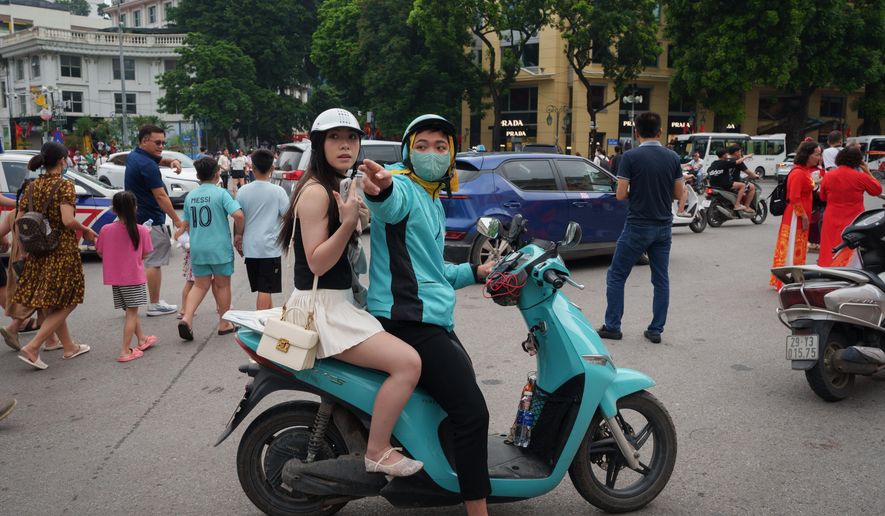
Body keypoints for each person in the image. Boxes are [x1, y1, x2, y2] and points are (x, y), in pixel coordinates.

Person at [359, 114, 494, 514]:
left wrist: (477, 271)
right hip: (409, 322)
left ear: (451, 155)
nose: (432, 154)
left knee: (459, 397)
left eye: (440, 147)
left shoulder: (432, 198)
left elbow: (432, 272)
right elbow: (387, 202)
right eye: (422, 146)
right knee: (472, 413)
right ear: (407, 152)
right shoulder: (402, 186)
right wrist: (379, 190)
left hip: (430, 319)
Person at [278, 108, 424, 478]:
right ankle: (377, 451)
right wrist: (346, 224)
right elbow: (316, 263)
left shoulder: (340, 184)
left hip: (341, 301)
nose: (345, 145)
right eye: (335, 138)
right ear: (318, 144)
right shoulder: (314, 193)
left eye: (352, 138)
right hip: (324, 308)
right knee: (408, 364)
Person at [597, 112, 683, 344]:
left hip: (637, 225)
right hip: (664, 226)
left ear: (636, 132)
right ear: (660, 132)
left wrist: (639, 191)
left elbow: (621, 194)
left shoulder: (630, 157)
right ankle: (655, 330)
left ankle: (613, 326)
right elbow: (678, 193)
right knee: (661, 278)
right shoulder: (673, 157)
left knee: (616, 275)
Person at [15, 142, 98, 370]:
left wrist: (23, 249)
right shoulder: (64, 186)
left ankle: (69, 347)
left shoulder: (32, 186)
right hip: (61, 250)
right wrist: (88, 230)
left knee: (54, 303)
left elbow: (19, 221)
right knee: (69, 300)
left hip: (37, 251)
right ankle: (33, 347)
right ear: (62, 160)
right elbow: (67, 221)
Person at [178, 157, 244, 340]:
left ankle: (187, 318)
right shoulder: (221, 194)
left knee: (199, 286)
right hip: (219, 248)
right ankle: (224, 323)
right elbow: (238, 215)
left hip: (198, 247)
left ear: (198, 175)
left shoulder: (191, 196)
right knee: (222, 285)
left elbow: (185, 223)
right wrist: (239, 234)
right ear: (217, 174)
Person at [124, 124, 184, 317]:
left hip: (136, 217)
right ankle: (155, 303)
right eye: (157, 142)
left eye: (163, 142)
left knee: (138, 261)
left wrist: (172, 161)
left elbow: (159, 159)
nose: (161, 146)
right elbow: (160, 195)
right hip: (151, 218)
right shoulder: (147, 165)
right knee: (154, 262)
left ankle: (129, 302)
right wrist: (176, 219)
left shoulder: (135, 156)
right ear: (144, 140)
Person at [96, 191, 157, 362]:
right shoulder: (142, 230)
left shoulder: (106, 229)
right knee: (131, 312)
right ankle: (124, 351)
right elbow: (145, 255)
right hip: (133, 277)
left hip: (116, 278)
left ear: (114, 209)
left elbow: (100, 252)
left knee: (130, 309)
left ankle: (142, 339)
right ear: (135, 208)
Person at [235, 149, 288, 310]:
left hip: (250, 248)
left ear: (253, 168)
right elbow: (288, 215)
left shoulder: (243, 191)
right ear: (272, 168)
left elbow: (239, 216)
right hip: (270, 248)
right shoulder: (278, 191)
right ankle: (260, 326)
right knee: (266, 289)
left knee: (264, 288)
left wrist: (238, 237)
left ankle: (267, 321)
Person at [818, 145, 882, 267]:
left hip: (831, 217)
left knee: (829, 247)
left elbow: (822, 197)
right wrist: (867, 171)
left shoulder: (828, 176)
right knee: (850, 248)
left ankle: (828, 273)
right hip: (853, 219)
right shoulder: (860, 176)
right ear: (858, 160)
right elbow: (877, 190)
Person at [770, 141, 821, 289]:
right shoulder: (798, 172)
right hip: (795, 216)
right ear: (807, 155)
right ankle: (788, 281)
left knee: (796, 245)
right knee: (792, 246)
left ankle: (793, 278)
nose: (818, 158)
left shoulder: (804, 170)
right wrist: (803, 216)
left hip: (799, 214)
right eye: (816, 154)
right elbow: (794, 197)